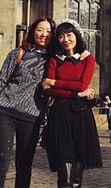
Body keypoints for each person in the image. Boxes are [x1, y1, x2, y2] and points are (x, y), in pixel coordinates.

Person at [0, 17, 55, 188]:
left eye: (48, 31)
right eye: (40, 29)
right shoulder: (18, 53)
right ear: (33, 31)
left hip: (32, 116)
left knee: (24, 166)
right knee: (1, 162)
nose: (43, 34)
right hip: (5, 111)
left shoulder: (53, 61)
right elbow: (1, 81)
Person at [42, 21, 102, 188]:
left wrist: (55, 82)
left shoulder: (88, 59)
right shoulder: (54, 60)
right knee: (64, 162)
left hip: (80, 115)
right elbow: (48, 91)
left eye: (69, 35)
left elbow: (82, 85)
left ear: (77, 35)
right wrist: (75, 94)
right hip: (60, 115)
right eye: (61, 36)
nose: (65, 39)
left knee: (78, 165)